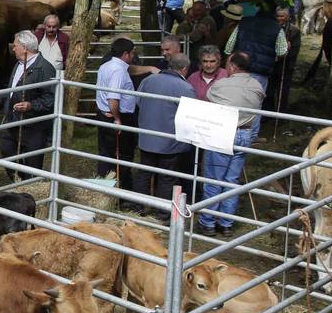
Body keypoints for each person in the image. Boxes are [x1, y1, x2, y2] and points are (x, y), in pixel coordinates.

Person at [199, 52, 266, 236]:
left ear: (233, 67)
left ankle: (209, 222)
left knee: (214, 178)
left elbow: (209, 98)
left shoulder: (221, 85)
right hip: (244, 133)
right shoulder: (257, 85)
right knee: (232, 180)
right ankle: (226, 223)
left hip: (223, 131)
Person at [133, 53, 196, 213]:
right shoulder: (185, 87)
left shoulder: (148, 80)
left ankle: (138, 206)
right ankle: (162, 212)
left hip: (147, 138)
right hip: (170, 142)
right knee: (167, 177)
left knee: (144, 173)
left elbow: (139, 101)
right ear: (184, 69)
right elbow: (190, 115)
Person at [0, 30, 57, 178]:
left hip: (33, 125)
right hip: (13, 120)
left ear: (25, 48)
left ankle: (28, 187)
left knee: (32, 162)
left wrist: (31, 105)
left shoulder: (45, 68)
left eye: (15, 46)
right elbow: (11, 88)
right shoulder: (19, 64)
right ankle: (17, 181)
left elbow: (50, 99)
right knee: (7, 152)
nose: (13, 49)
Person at [95, 37, 139, 190]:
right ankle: (122, 192)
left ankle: (103, 188)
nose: (133, 57)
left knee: (106, 153)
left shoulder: (105, 66)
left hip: (104, 114)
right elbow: (113, 98)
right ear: (126, 54)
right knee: (122, 155)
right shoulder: (119, 71)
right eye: (132, 53)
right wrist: (118, 119)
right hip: (117, 117)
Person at [223, 0, 287, 92]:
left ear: (258, 8)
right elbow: (281, 52)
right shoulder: (277, 28)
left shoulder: (244, 22)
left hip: (238, 69)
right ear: (275, 11)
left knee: (234, 96)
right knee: (254, 101)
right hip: (261, 73)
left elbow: (228, 48)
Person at [268, 6, 301, 113]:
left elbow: (295, 49)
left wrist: (286, 52)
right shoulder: (271, 28)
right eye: (277, 16)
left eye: (282, 16)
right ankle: (268, 112)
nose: (279, 18)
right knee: (269, 90)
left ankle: (281, 113)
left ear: (287, 17)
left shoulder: (294, 30)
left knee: (283, 91)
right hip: (272, 63)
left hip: (286, 65)